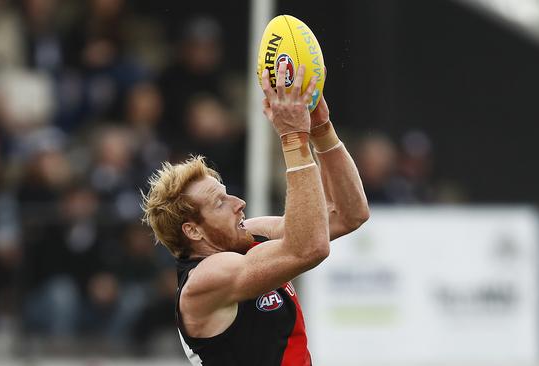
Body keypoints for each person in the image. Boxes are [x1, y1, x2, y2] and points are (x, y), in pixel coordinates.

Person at [141, 62, 369, 365]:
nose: (239, 203)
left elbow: (349, 214)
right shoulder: (203, 280)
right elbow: (310, 248)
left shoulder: (251, 234)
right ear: (193, 231)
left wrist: (321, 128)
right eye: (219, 202)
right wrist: (293, 138)